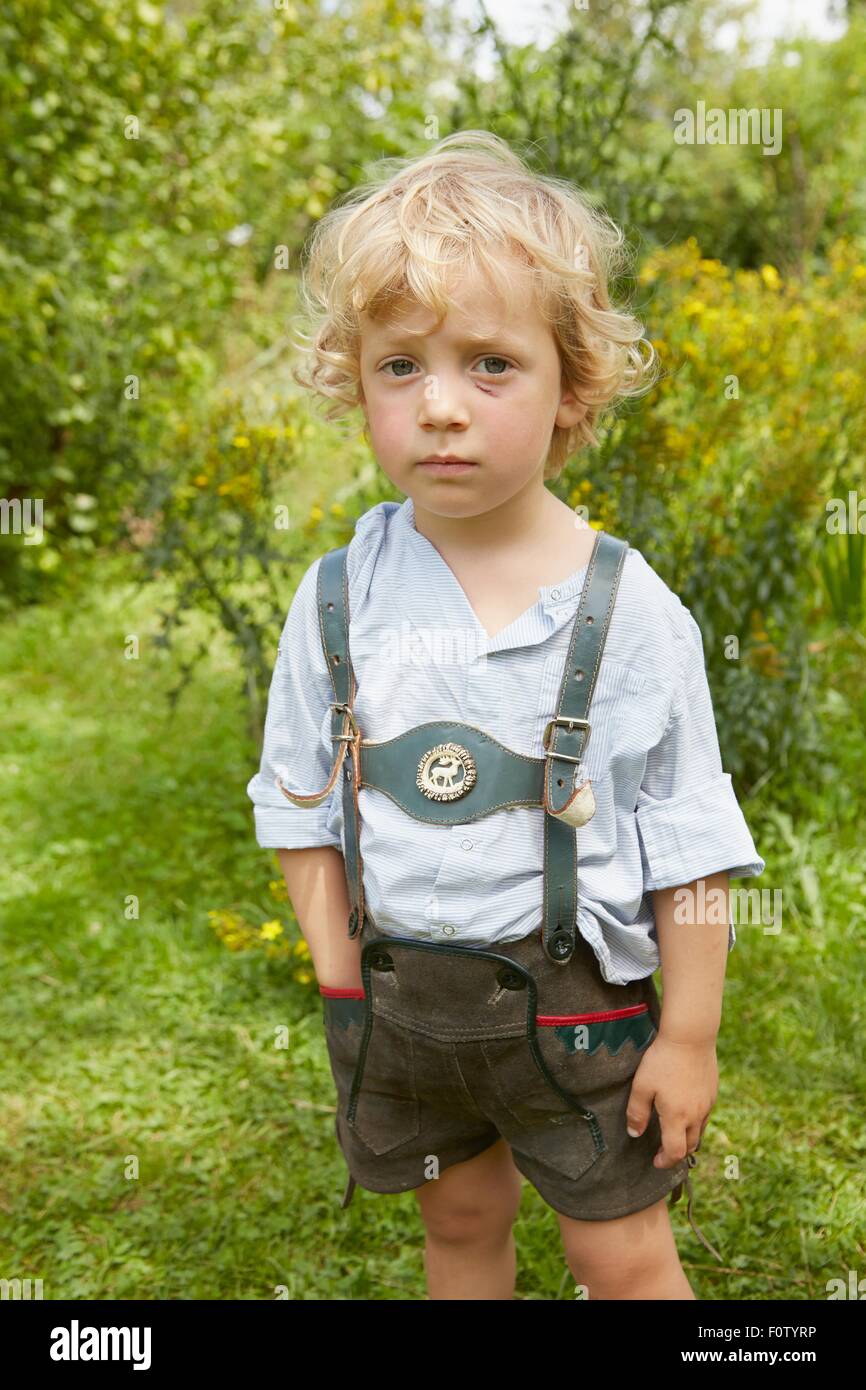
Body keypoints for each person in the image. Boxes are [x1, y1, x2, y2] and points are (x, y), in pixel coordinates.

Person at [246, 130, 765, 1300]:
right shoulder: (337, 601)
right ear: (354, 380)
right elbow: (297, 804)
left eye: (489, 364)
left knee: (617, 1252)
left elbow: (688, 838)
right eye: (399, 367)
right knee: (461, 1219)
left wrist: (686, 1037)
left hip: (587, 1017)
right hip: (406, 1013)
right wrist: (341, 981)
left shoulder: (629, 614)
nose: (440, 408)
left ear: (569, 384)